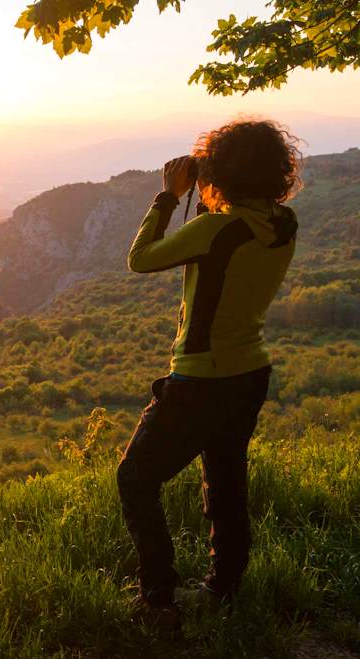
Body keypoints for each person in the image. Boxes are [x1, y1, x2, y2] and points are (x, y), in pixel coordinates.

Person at [117, 119, 301, 630]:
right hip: (250, 373)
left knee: (135, 478)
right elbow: (223, 250)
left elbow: (141, 259)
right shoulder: (282, 224)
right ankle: (225, 586)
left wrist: (168, 198)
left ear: (223, 171)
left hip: (201, 378)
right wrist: (209, 198)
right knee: (224, 481)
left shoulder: (215, 229)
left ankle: (159, 597)